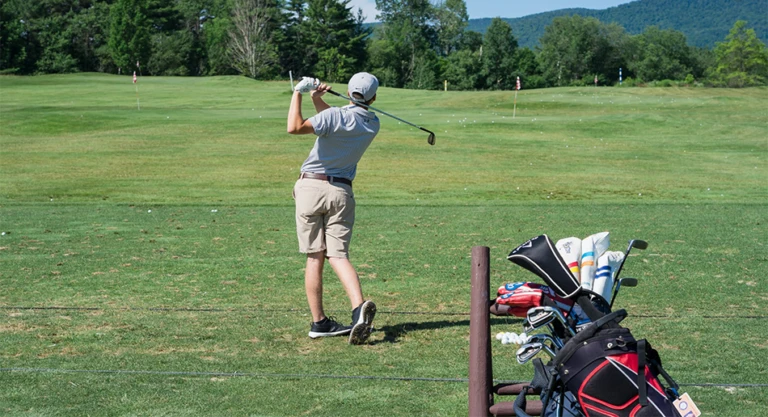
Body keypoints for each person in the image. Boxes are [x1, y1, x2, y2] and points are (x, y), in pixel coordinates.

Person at [287, 72, 380, 345]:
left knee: (315, 256)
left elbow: (295, 127)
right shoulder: (372, 123)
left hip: (310, 189)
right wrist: (318, 99)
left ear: (349, 92)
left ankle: (319, 323)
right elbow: (335, 122)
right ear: (374, 97)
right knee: (338, 256)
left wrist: (298, 93)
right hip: (341, 192)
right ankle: (357, 310)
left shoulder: (334, 116)